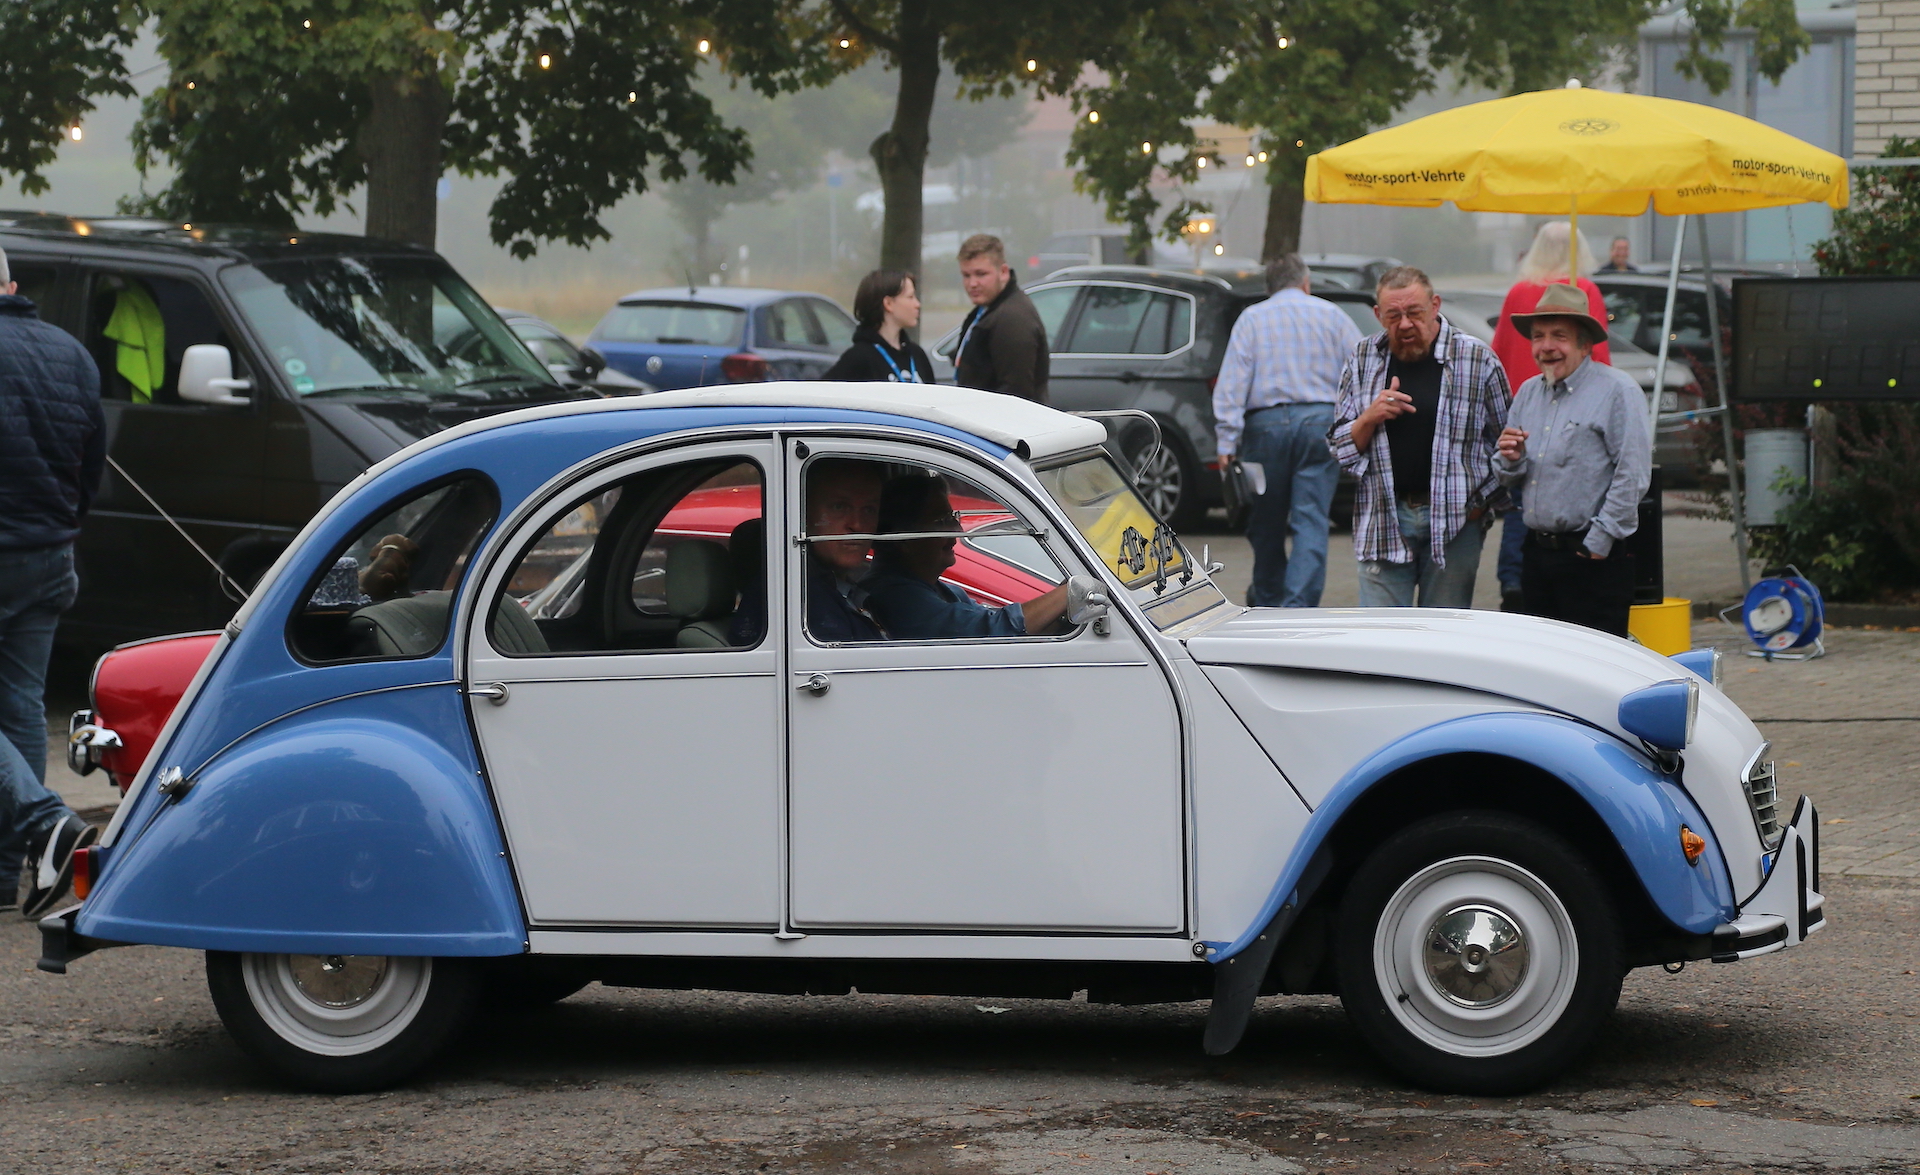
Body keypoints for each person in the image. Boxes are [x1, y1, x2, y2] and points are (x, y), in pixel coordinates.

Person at [0, 244, 104, 918]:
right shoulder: (72, 354)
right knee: (20, 707)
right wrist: (64, 523)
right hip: (49, 551)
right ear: (11, 284)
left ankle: (46, 821)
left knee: (17, 707)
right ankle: (8, 870)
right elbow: (92, 462)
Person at [1328, 266, 1509, 608]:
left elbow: (1506, 444)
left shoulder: (1476, 358)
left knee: (1442, 635)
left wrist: (1478, 504)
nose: (1405, 324)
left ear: (1435, 305)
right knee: (1381, 635)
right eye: (1394, 316)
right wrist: (1370, 417)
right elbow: (1339, 447)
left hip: (1456, 524)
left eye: (1414, 313)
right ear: (1378, 315)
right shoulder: (1363, 358)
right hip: (1383, 520)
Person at [1496, 284, 1652, 638]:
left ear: (1585, 345)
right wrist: (1510, 459)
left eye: (1559, 336)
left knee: (1595, 664)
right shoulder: (1528, 393)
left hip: (1593, 559)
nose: (1546, 346)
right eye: (1538, 337)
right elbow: (1508, 475)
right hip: (1536, 555)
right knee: (1541, 661)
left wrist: (1598, 543)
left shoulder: (1618, 391)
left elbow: (1633, 474)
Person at [1212, 254, 1363, 607]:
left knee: (1266, 521)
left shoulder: (1252, 319)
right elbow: (1361, 369)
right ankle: (1298, 606)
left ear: (1270, 287)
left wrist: (1226, 440)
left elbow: (1233, 382)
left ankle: (1267, 600)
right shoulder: (1332, 315)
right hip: (1320, 424)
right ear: (1305, 283)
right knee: (1311, 519)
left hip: (1265, 428)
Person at [1489, 222, 1614, 612]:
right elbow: (1600, 360)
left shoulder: (1518, 292)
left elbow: (1499, 352)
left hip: (1522, 407)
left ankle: (1512, 578)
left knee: (1522, 499)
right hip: (1568, 407)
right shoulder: (1584, 291)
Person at [862, 473, 1070, 639]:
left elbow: (999, 625)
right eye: (942, 522)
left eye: (953, 517)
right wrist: (1068, 593)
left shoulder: (941, 590)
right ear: (904, 538)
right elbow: (989, 632)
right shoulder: (896, 597)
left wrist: (1062, 613)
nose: (957, 530)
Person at [756, 458, 888, 644]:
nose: (857, 525)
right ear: (803, 513)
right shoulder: (797, 601)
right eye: (839, 506)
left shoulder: (842, 588)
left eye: (869, 509)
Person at [953, 234, 1049, 403]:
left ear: (1003, 272)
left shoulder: (1012, 319)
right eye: (966, 275)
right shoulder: (987, 309)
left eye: (981, 274)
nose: (972, 283)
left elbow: (1016, 394)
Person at [823, 269, 935, 384]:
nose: (917, 304)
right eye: (910, 297)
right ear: (888, 304)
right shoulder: (859, 358)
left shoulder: (917, 355)